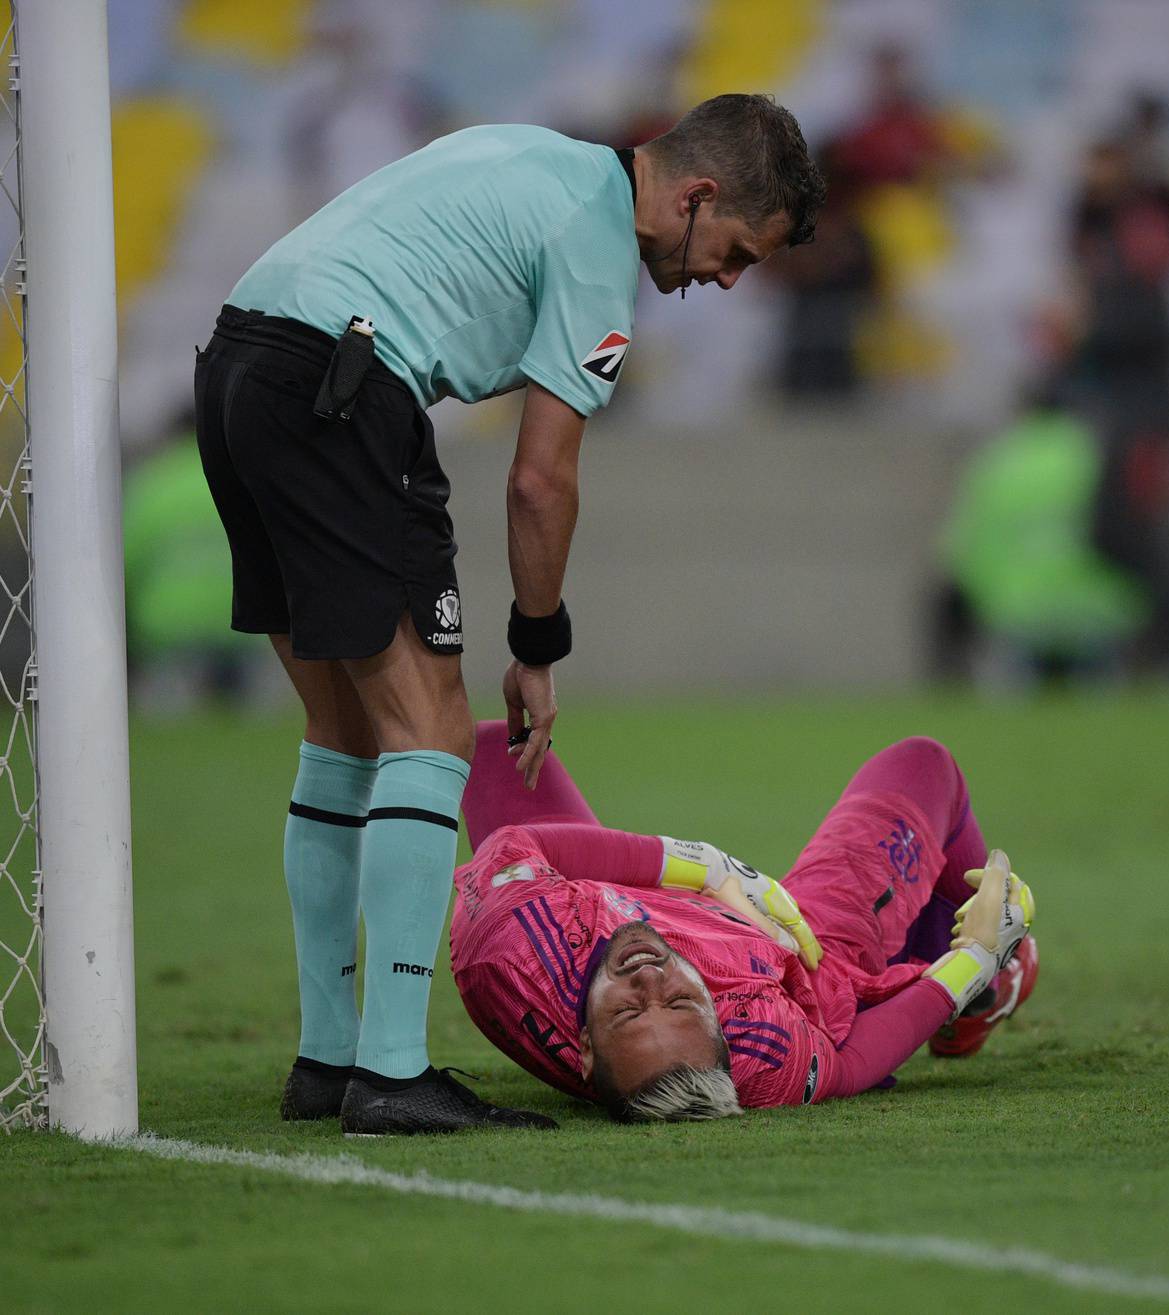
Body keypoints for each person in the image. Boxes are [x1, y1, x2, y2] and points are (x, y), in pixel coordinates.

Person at [196, 96, 826, 1134]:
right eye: (736, 253)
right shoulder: (598, 240)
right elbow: (541, 479)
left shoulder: (533, 154)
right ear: (697, 195)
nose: (722, 278)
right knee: (431, 731)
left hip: (240, 365)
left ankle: (326, 1057)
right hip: (341, 381)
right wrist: (538, 644)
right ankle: (391, 1070)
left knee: (345, 732)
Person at [450, 724, 1039, 1118]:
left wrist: (704, 866)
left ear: (584, 1046)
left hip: (603, 906)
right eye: (680, 1003)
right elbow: (849, 1064)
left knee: (502, 748)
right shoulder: (761, 1049)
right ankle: (981, 1000)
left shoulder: (517, 940)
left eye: (628, 1011)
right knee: (922, 764)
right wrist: (977, 958)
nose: (650, 981)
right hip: (800, 948)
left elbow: (516, 844)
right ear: (720, 1025)